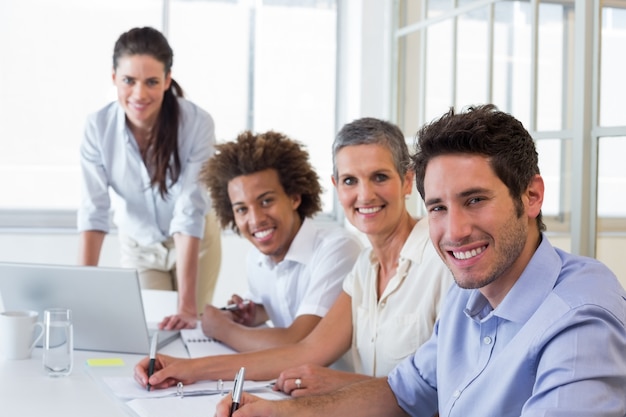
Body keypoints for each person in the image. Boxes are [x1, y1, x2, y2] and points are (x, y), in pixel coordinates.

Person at [215, 104, 626, 417]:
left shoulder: (578, 321)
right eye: (438, 208)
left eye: (475, 200)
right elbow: (401, 391)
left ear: (531, 196)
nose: (455, 231)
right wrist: (278, 411)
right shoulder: (467, 296)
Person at [133, 118, 453, 394]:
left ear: (408, 180)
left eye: (379, 177)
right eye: (350, 181)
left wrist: (340, 384)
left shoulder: (443, 260)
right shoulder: (364, 270)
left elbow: (445, 391)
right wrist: (187, 369)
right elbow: (306, 351)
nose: (364, 195)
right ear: (336, 188)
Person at [77, 27, 222, 330]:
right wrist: (81, 295)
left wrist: (186, 306)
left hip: (195, 241)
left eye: (152, 82)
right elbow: (95, 210)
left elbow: (189, 209)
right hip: (140, 244)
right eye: (129, 80)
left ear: (168, 81)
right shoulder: (97, 128)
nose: (139, 94)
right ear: (114, 77)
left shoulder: (197, 123)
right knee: (149, 328)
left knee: (188, 325)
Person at [197, 130, 363, 352]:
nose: (255, 219)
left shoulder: (338, 250)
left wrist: (221, 328)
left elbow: (297, 344)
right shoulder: (256, 259)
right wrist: (253, 313)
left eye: (266, 201)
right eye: (242, 209)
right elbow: (282, 301)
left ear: (294, 197)